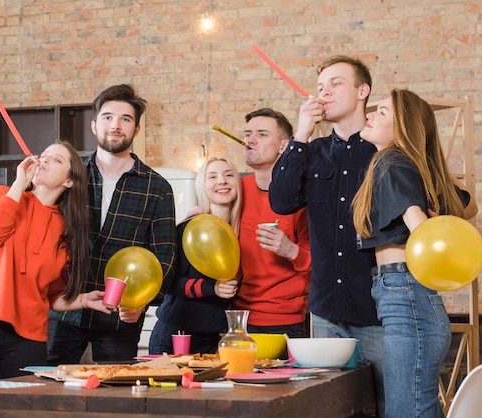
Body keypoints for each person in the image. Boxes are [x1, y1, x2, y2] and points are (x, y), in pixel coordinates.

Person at [268, 56, 385, 417]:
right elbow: (281, 201)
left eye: (336, 83)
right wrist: (301, 132)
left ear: (362, 91)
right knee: (331, 409)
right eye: (320, 86)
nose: (324, 91)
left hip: (378, 311)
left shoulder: (385, 150)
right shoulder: (311, 151)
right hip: (325, 310)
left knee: (384, 405)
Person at [352, 88, 477, 418]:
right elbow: (469, 205)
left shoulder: (392, 161)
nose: (369, 115)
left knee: (408, 411)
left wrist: (432, 226)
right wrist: (427, 157)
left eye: (381, 112)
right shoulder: (403, 164)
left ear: (404, 127)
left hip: (405, 295)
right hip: (407, 296)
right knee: (415, 408)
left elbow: (420, 227)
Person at [0, 141, 115, 384]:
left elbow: (52, 295)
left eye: (57, 160)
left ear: (69, 181)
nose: (45, 160)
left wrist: (83, 300)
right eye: (44, 155)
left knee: (20, 410)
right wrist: (19, 183)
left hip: (27, 338)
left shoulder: (66, 231)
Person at [47, 84, 177, 363]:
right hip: (64, 309)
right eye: (107, 117)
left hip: (120, 318)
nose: (115, 125)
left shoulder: (158, 188)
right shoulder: (70, 176)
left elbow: (164, 258)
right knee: (49, 391)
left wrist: (141, 304)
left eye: (125, 119)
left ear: (137, 130)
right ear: (94, 125)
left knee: (117, 398)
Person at [233, 107, 311, 349]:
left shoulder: (301, 200)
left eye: (262, 134)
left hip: (287, 323)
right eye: (248, 134)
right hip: (238, 320)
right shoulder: (236, 190)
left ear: (284, 147)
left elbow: (321, 271)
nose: (250, 140)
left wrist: (291, 251)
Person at [149, 157, 242, 355]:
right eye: (212, 176)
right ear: (202, 186)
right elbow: (168, 282)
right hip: (175, 336)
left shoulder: (240, 233)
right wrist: (212, 288)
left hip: (213, 339)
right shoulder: (189, 228)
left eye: (228, 175)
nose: (222, 181)